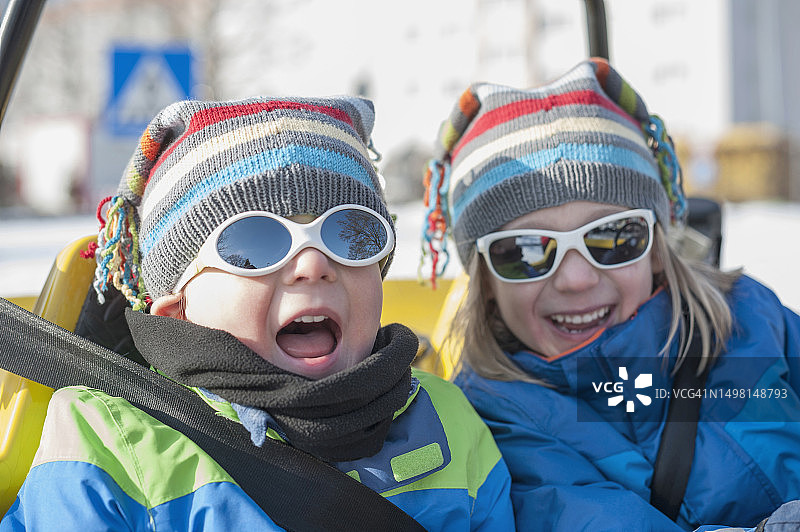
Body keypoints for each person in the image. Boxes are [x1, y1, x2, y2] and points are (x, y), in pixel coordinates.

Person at [1, 96, 514, 530]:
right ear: (178, 309)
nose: (314, 264)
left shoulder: (450, 420)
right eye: (255, 242)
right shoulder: (104, 441)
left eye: (349, 233)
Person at [419, 57, 800, 531]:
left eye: (613, 237)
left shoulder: (751, 319)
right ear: (487, 283)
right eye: (527, 251)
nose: (576, 278)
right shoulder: (491, 425)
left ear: (657, 248)